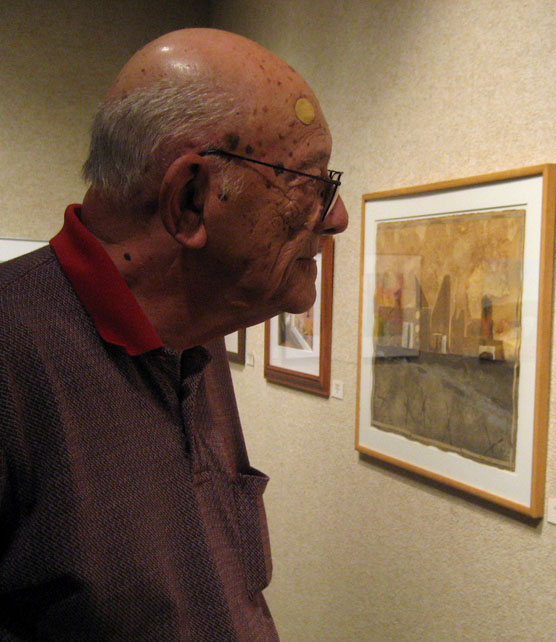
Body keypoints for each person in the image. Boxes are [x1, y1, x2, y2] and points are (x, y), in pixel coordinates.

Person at [0, 28, 347, 641]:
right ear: (190, 199)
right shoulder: (13, 354)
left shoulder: (195, 335)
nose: (336, 217)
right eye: (309, 184)